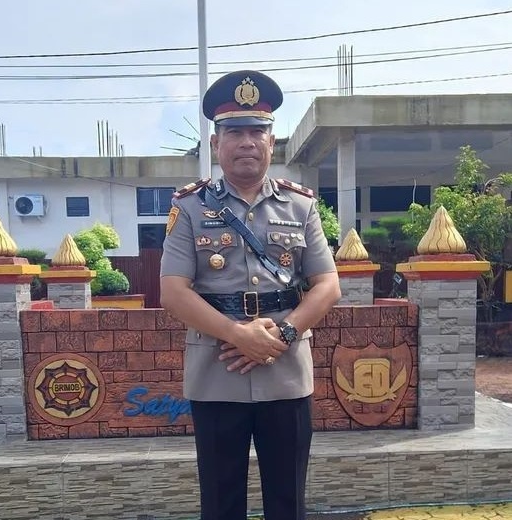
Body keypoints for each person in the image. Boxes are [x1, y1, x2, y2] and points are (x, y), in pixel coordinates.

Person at [160, 70, 341, 520]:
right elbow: (173, 292)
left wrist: (282, 333)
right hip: (217, 370)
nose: (246, 142)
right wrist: (238, 335)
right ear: (215, 143)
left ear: (271, 142)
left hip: (285, 369)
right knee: (220, 503)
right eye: (234, 132)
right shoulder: (189, 207)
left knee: (288, 501)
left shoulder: (301, 206)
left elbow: (328, 285)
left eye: (256, 131)